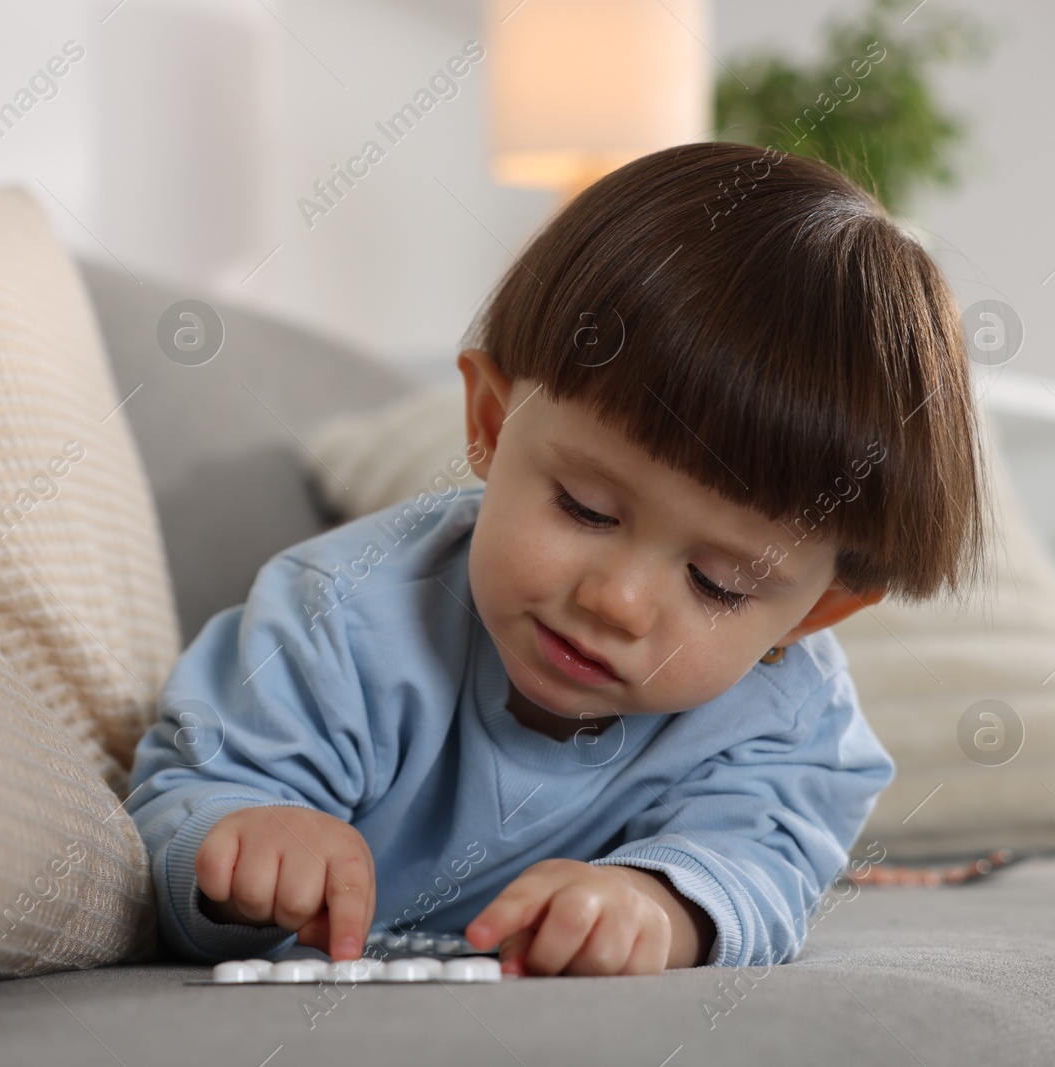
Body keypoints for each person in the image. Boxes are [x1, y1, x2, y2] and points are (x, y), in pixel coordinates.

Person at [125, 142, 991, 976]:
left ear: (811, 615)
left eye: (717, 584)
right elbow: (178, 805)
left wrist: (657, 904)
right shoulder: (339, 615)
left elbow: (763, 865)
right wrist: (241, 839)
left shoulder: (790, 716)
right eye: (586, 508)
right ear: (493, 427)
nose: (617, 600)